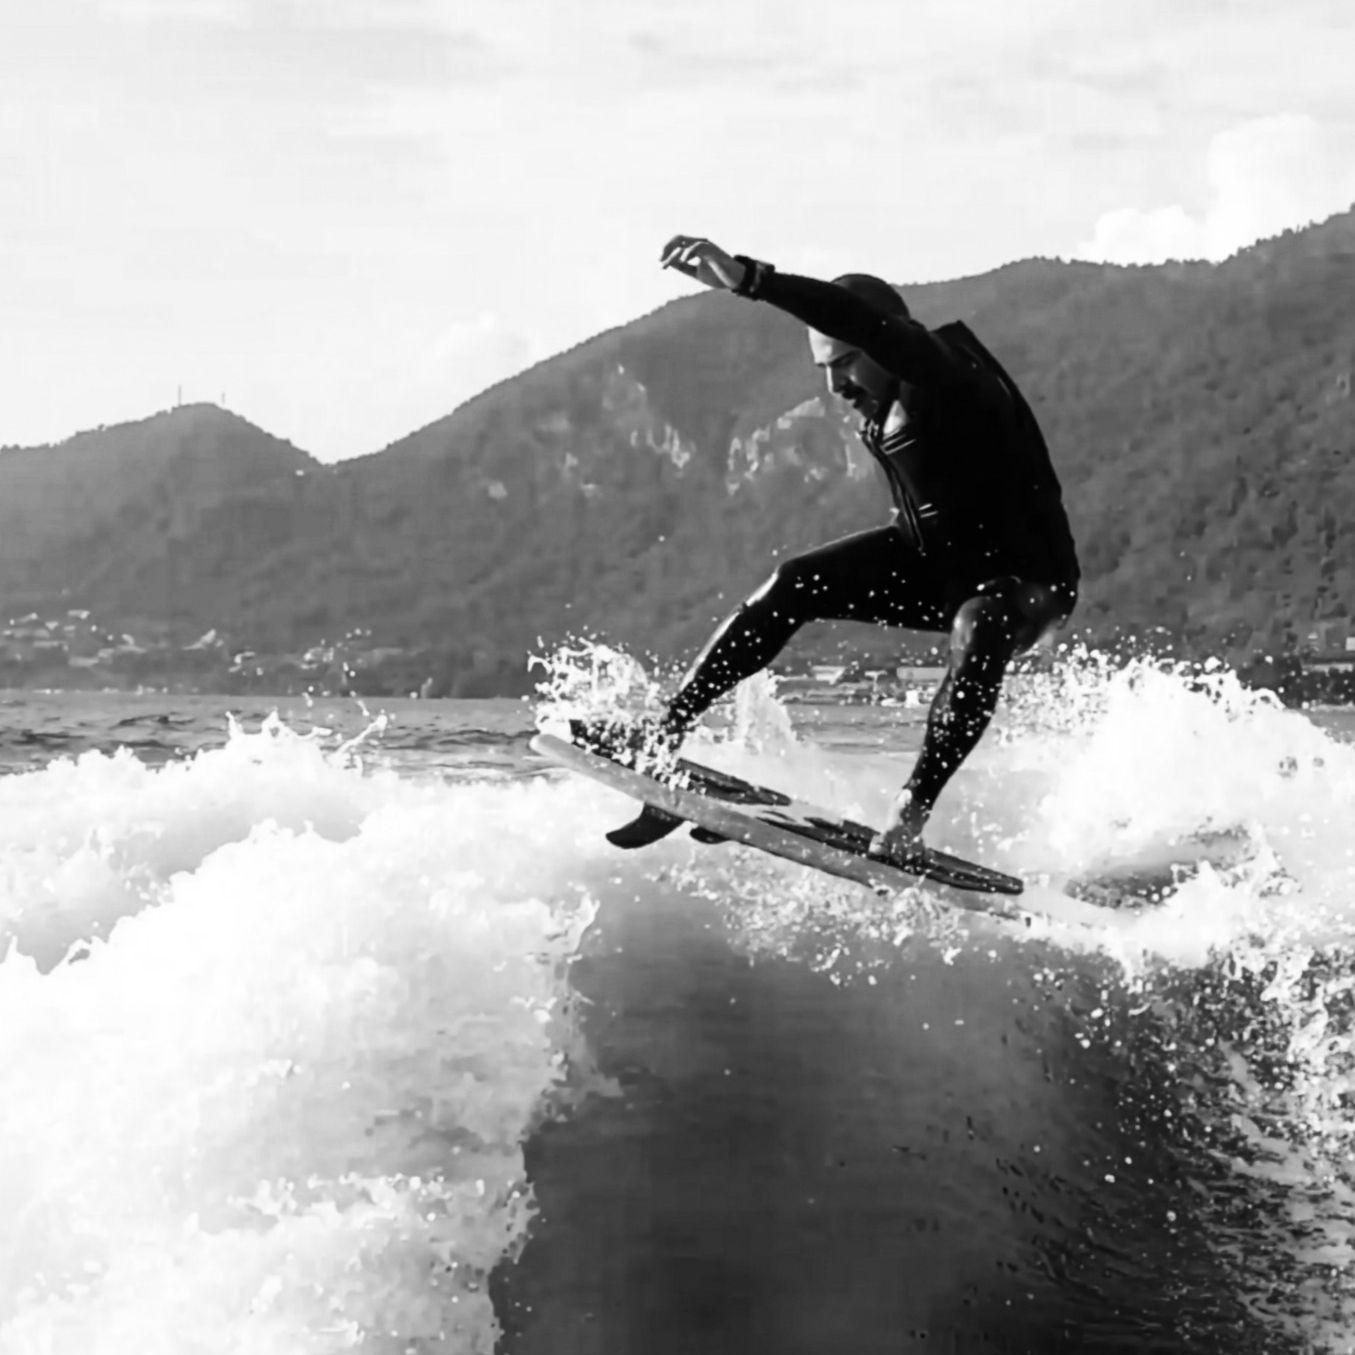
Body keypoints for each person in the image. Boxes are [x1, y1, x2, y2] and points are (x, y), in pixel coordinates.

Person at [581, 234, 1079, 863]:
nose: (836, 385)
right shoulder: (886, 395)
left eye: (843, 363)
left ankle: (908, 816)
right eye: (824, 370)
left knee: (979, 623)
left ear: (884, 341)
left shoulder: (949, 376)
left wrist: (750, 280)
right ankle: (664, 734)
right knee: (793, 583)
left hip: (1029, 585)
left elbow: (864, 321)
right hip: (939, 567)